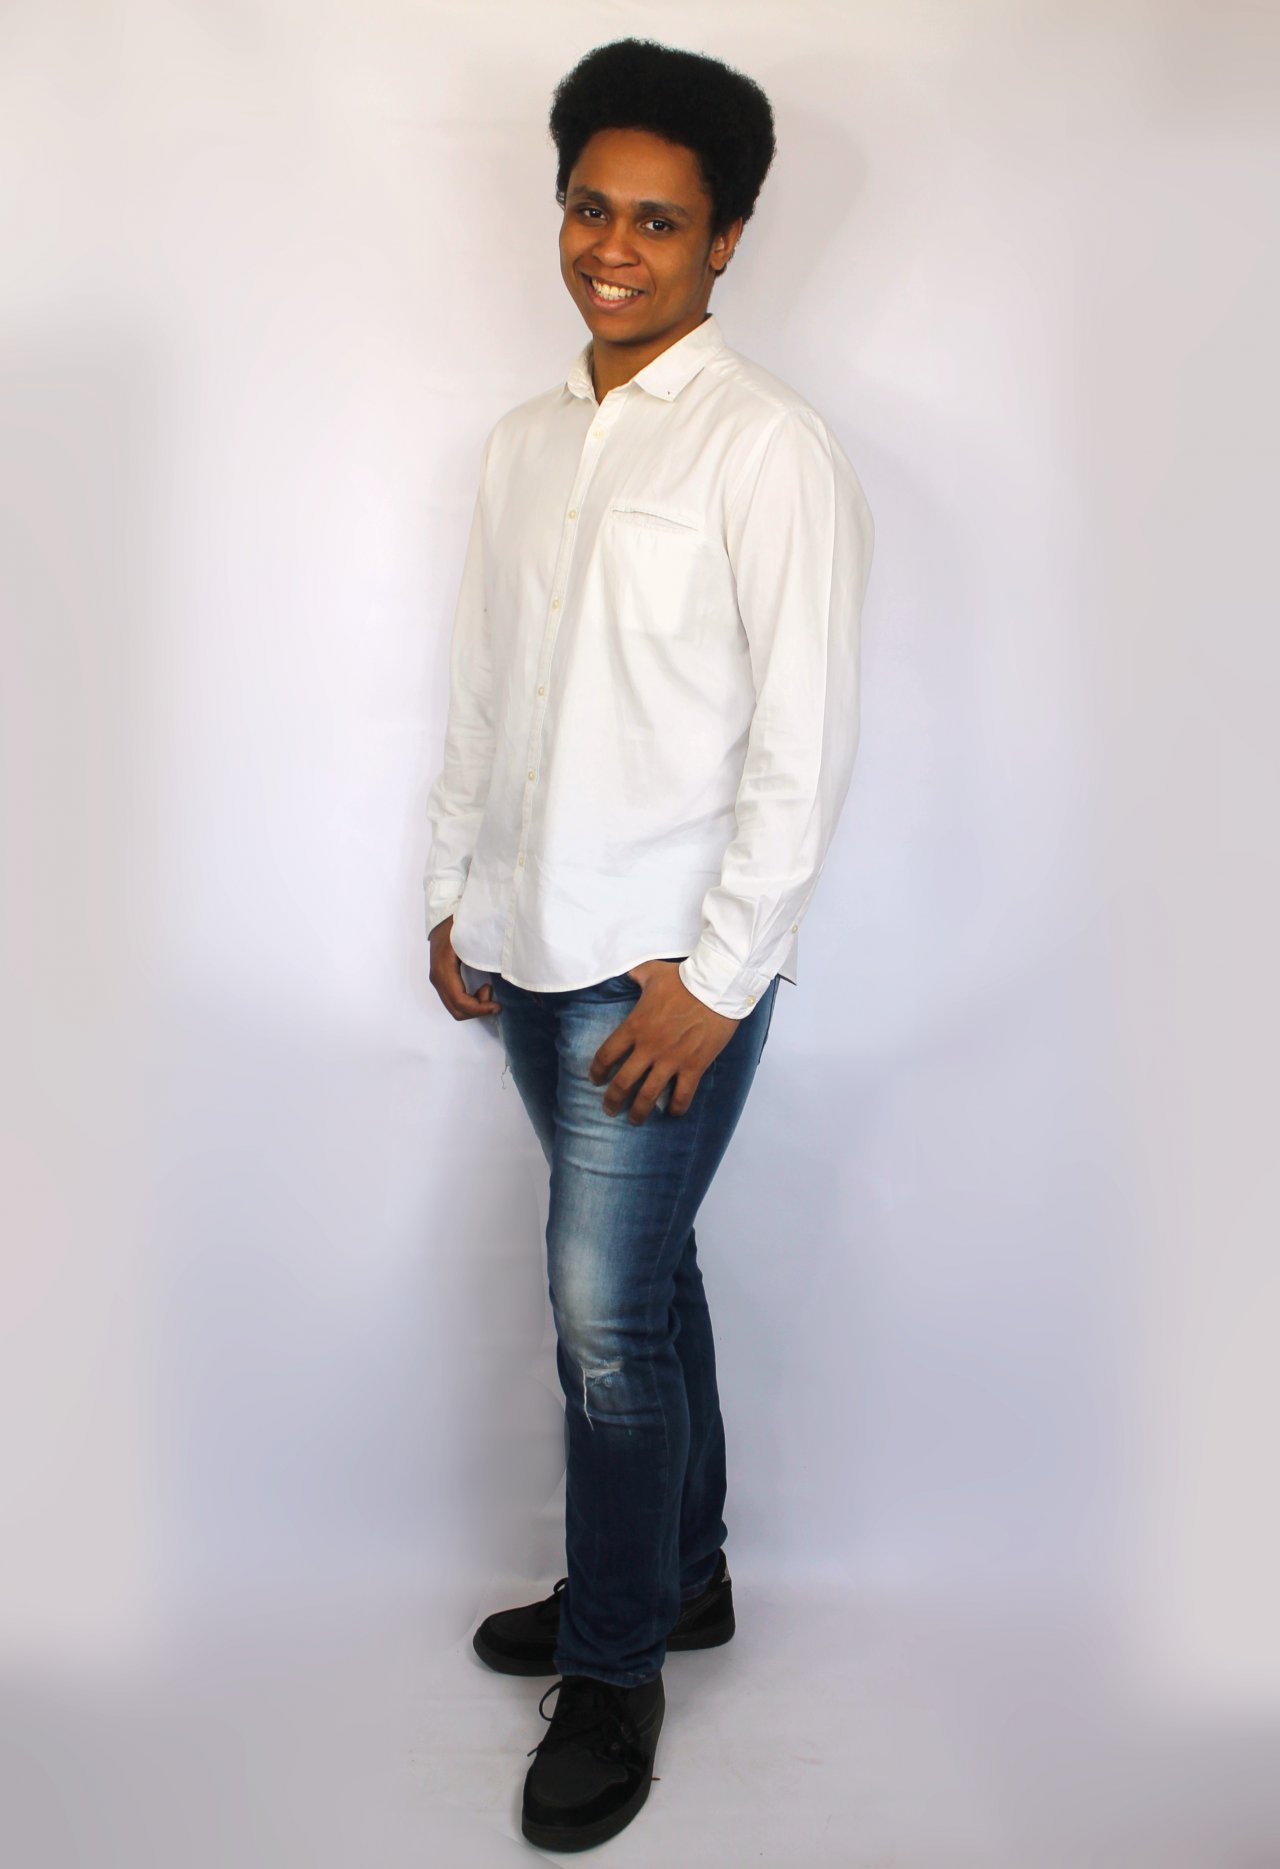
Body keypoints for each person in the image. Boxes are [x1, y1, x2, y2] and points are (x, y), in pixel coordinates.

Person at [422, 36, 874, 1853]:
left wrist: (721, 974)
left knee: (603, 1327)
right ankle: (679, 1577)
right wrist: (455, 888)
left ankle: (614, 1670)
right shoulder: (525, 443)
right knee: (643, 1289)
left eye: (660, 221)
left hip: (662, 976)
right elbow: (486, 688)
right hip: (528, 945)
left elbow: (803, 738)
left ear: (727, 238)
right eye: (591, 207)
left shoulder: (769, 448)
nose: (614, 246)